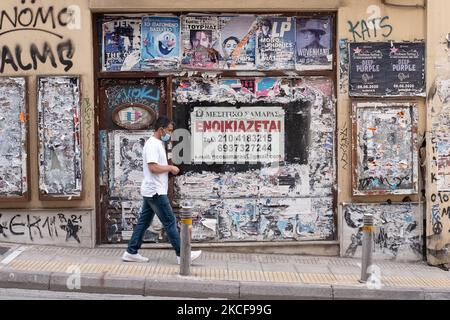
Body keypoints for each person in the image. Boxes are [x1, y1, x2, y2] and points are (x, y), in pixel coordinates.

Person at [122, 116, 202, 264]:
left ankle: (131, 252)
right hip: (155, 191)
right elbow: (153, 167)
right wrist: (170, 167)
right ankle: (183, 255)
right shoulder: (153, 144)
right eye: (169, 131)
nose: (170, 134)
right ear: (161, 130)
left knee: (143, 223)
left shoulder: (157, 143)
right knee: (170, 222)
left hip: (152, 190)